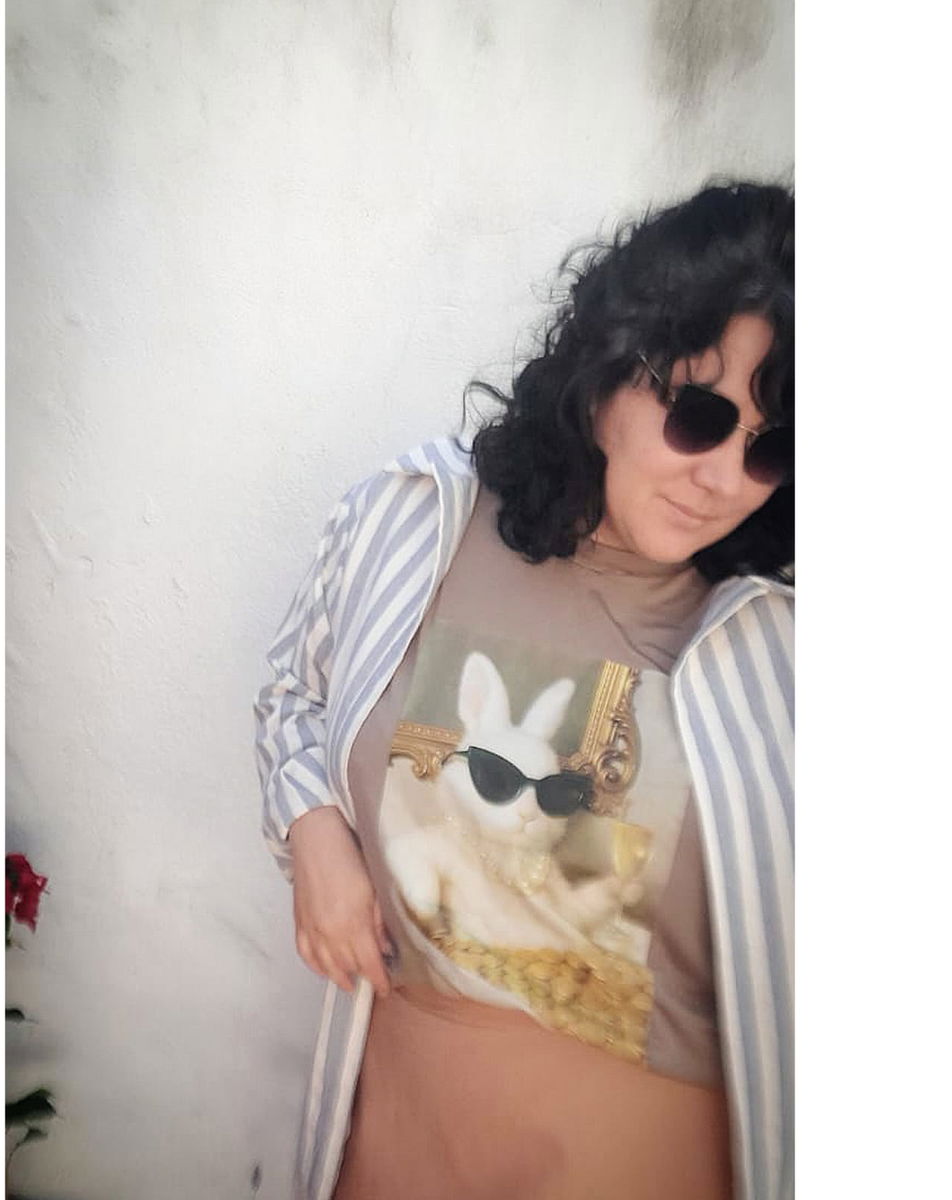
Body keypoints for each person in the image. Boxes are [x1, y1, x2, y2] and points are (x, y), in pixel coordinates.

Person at [254, 181, 794, 1200]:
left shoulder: (782, 650)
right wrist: (313, 831)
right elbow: (294, 692)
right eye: (699, 416)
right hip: (402, 1125)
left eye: (771, 446)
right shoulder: (418, 520)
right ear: (604, 377)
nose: (724, 477)